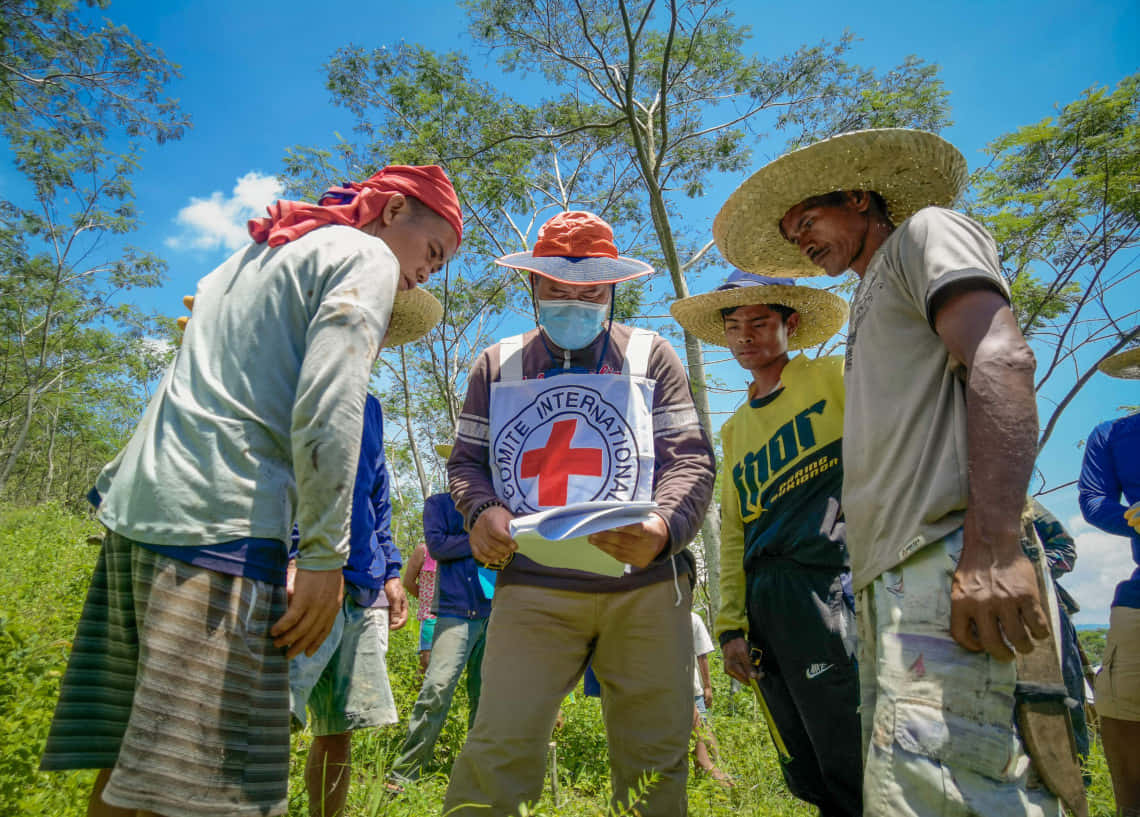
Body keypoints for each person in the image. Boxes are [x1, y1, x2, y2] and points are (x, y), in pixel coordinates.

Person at [39, 165, 462, 817]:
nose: (428, 272)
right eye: (432, 252)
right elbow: (330, 404)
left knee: (129, 776)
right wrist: (323, 555)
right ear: (393, 209)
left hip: (141, 522)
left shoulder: (253, 258)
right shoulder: (364, 253)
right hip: (221, 538)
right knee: (212, 787)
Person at [714, 128, 1058, 816]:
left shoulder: (924, 235)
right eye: (789, 232)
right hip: (885, 585)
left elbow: (1000, 358)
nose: (802, 241)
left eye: (808, 221)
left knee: (967, 784)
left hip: (946, 557)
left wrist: (994, 546)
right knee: (912, 792)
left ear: (859, 195)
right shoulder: (871, 301)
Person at [442, 210, 716, 817]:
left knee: (655, 758)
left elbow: (691, 460)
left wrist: (665, 529)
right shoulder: (496, 364)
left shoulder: (652, 355)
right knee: (498, 748)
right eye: (557, 291)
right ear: (533, 288)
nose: (573, 303)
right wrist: (482, 509)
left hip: (646, 586)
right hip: (532, 589)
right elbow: (466, 462)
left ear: (612, 291)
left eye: (589, 292)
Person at [672, 270, 859, 815]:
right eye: (734, 326)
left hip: (830, 587)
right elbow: (733, 533)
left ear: (790, 324)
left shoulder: (835, 378)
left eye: (760, 322)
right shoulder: (734, 430)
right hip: (766, 607)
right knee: (804, 758)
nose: (745, 336)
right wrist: (731, 625)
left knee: (853, 747)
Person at [288, 391, 407, 817]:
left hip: (362, 583)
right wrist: (292, 555)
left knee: (339, 728)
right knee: (267, 716)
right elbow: (280, 472)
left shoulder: (370, 405)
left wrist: (391, 571)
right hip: (303, 579)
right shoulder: (291, 380)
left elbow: (377, 489)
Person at [388, 483, 493, 784]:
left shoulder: (499, 505)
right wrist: (480, 540)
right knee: (436, 687)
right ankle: (405, 773)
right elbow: (437, 546)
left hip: (496, 610)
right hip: (455, 611)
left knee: (485, 696)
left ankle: (477, 773)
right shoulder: (439, 505)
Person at [1078, 346, 1140, 817]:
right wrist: (1134, 518)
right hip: (1137, 599)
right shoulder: (1113, 435)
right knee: (1120, 715)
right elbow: (1095, 502)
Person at [1027, 499, 1090, 773]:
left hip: (1043, 616)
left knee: (1064, 704)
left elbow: (1064, 548)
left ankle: (1079, 783)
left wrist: (1026, 574)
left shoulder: (1019, 503)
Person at [689, 610, 730, 786]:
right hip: (676, 691)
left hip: (693, 689)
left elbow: (702, 655)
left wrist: (707, 686)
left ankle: (717, 765)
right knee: (697, 733)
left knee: (702, 729)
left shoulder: (693, 619)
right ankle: (707, 772)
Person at [403, 540, 439, 678]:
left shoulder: (461, 548)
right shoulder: (423, 550)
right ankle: (415, 697)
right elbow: (408, 582)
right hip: (430, 615)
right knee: (426, 662)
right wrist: (426, 599)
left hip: (454, 615)